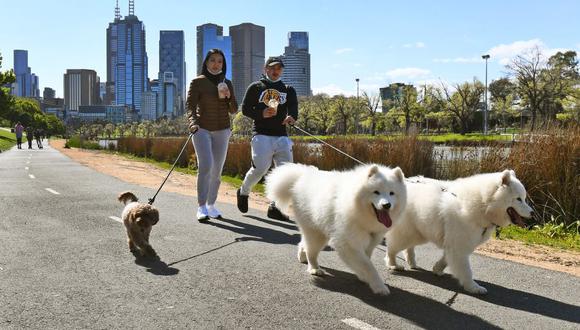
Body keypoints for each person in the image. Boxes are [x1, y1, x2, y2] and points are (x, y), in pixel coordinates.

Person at [236, 56, 298, 221]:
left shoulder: (288, 89)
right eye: (272, 68)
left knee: (285, 173)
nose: (275, 71)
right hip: (261, 134)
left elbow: (293, 107)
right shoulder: (256, 87)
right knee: (260, 168)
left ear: (282, 70)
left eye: (279, 68)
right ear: (265, 69)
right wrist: (261, 113)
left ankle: (275, 207)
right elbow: (246, 109)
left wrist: (291, 117)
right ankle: (243, 191)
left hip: (282, 136)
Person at [187, 49, 238, 222]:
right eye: (213, 60)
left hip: (223, 129)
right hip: (202, 129)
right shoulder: (197, 82)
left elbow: (234, 110)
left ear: (223, 65)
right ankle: (201, 206)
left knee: (217, 170)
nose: (216, 64)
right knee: (206, 165)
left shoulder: (227, 83)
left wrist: (229, 96)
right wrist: (193, 123)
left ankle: (211, 205)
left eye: (220, 62)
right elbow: (190, 107)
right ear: (206, 63)